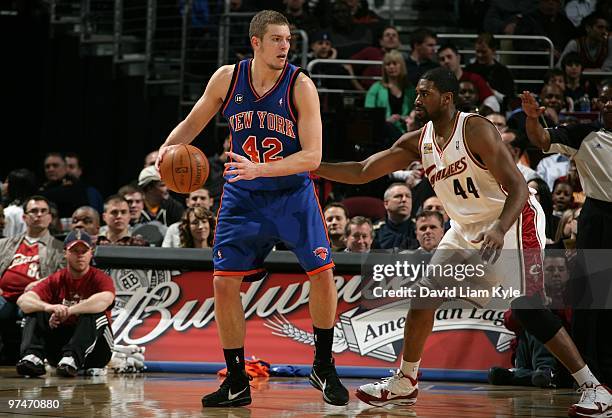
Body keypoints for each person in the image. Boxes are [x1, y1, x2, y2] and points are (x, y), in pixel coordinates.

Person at [317, 67, 610, 416]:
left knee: (527, 308)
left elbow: (518, 187)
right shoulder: (418, 140)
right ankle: (405, 381)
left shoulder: (475, 129)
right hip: (466, 226)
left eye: (425, 93)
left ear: (447, 97)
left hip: (514, 217)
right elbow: (364, 169)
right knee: (425, 292)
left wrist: (500, 228)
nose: (418, 99)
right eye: (417, 93)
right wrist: (313, 167)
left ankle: (594, 387)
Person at [155, 10, 348, 408]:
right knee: (223, 283)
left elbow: (313, 157)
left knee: (323, 274)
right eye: (277, 39)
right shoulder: (227, 78)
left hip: (292, 194)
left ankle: (323, 365)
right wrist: (165, 150)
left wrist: (260, 168)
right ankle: (238, 378)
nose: (285, 47)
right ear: (256, 42)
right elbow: (192, 124)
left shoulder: (301, 85)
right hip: (243, 197)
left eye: (289, 40)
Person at [523, 85, 612, 388]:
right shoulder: (584, 133)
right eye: (604, 99)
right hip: (599, 217)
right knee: (592, 300)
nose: (608, 103)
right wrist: (533, 119)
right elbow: (541, 139)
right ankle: (587, 376)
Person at [15, 230, 115, 377]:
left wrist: (67, 311)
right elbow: (23, 300)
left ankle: (72, 358)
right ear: (65, 253)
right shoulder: (57, 278)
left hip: (96, 352)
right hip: (60, 350)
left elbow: (104, 300)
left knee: (94, 312)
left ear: (91, 253)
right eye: (74, 251)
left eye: (84, 251)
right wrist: (49, 307)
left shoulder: (100, 278)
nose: (79, 255)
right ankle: (32, 357)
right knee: (35, 309)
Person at [365, 50, 416, 135]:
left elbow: (416, 112)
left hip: (406, 131)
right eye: (388, 64)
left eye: (395, 64)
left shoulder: (410, 89)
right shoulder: (376, 88)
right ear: (384, 68)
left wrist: (404, 118)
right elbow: (368, 113)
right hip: (382, 131)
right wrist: (386, 120)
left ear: (401, 66)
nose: (391, 67)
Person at [372, 183, 418, 250]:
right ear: (386, 204)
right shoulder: (374, 231)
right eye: (398, 196)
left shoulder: (421, 228)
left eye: (408, 196)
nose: (404, 200)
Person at [2, 168, 38, 238]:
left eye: (7, 182)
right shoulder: (39, 210)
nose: (3, 185)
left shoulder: (9, 212)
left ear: (14, 186)